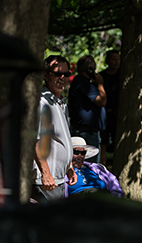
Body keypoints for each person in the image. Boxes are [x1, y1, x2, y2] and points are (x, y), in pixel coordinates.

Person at [34, 55, 76, 202]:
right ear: (46, 75)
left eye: (66, 74)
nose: (62, 77)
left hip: (58, 180)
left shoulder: (61, 103)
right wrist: (45, 174)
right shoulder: (42, 102)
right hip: (45, 182)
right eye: (58, 74)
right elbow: (36, 140)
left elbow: (61, 138)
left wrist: (69, 167)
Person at [68, 55, 106, 152]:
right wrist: (100, 84)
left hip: (86, 132)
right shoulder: (83, 83)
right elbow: (101, 101)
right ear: (89, 69)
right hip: (86, 133)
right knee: (88, 165)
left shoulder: (81, 82)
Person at [99, 49, 120, 165]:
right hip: (105, 114)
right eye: (113, 60)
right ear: (107, 61)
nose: (116, 62)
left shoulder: (122, 76)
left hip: (118, 115)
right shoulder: (102, 77)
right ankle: (103, 167)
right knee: (103, 143)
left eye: (118, 60)